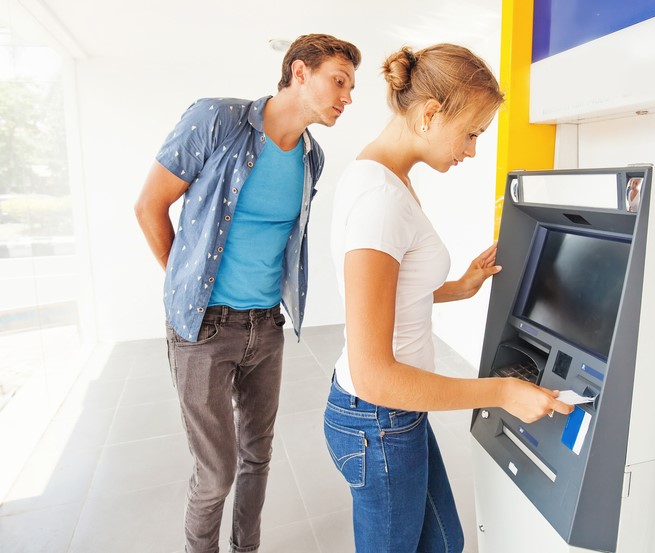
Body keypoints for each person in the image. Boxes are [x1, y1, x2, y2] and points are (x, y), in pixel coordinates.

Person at [323, 43, 574, 553]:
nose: (472, 150)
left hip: (393, 415)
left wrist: (459, 287)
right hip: (378, 418)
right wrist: (500, 392)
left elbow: (386, 293)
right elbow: (375, 375)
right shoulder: (380, 200)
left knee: (443, 542)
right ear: (431, 114)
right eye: (472, 133)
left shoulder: (384, 176)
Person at [134, 33, 361, 553]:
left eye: (351, 88)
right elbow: (149, 206)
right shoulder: (217, 119)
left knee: (257, 457)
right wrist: (186, 285)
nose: (347, 97)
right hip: (204, 326)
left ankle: (246, 547)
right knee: (216, 473)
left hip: (266, 325)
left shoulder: (312, 157)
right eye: (340, 81)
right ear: (299, 72)